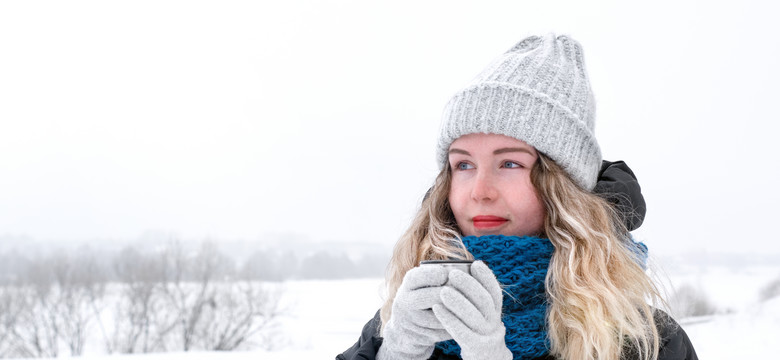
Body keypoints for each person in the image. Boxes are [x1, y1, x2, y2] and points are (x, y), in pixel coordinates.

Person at [337, 34, 697, 360]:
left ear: (563, 187)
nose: (480, 192)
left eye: (509, 163)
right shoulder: (400, 322)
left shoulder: (646, 342)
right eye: (463, 165)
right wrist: (396, 354)